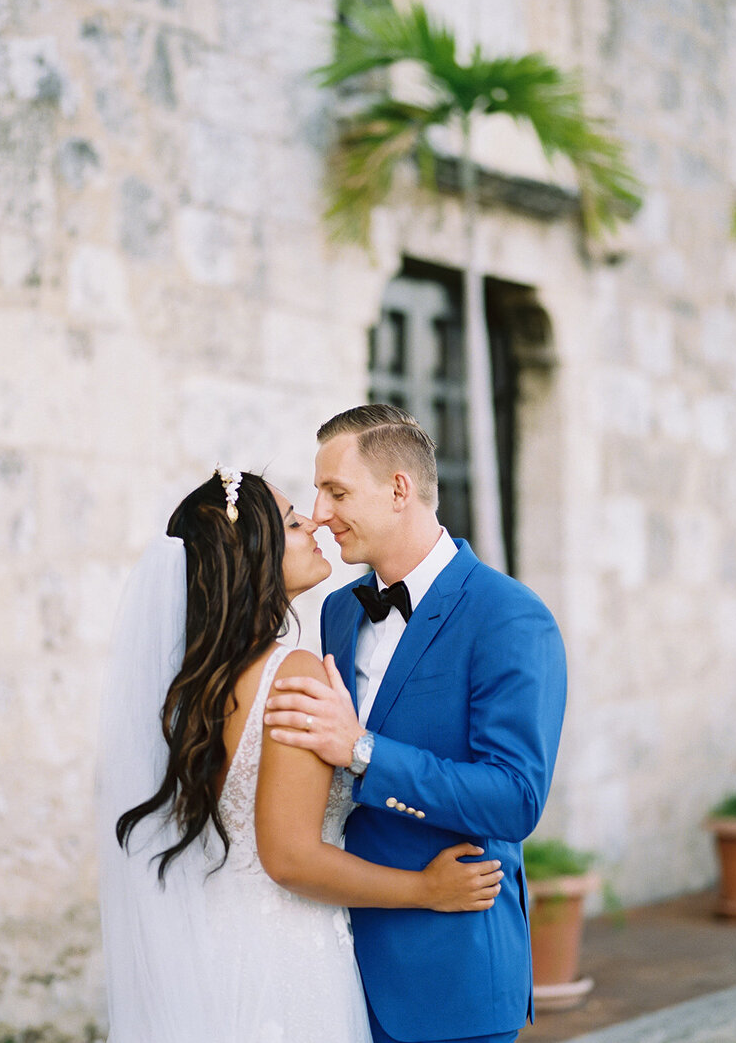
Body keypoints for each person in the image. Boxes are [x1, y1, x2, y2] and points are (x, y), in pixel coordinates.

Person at [96, 466, 503, 1043]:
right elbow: (289, 859)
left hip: (215, 948)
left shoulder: (196, 685)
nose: (314, 519)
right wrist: (424, 890)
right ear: (253, 552)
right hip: (283, 963)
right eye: (292, 521)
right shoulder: (290, 673)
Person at [264, 405, 568, 1043]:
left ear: (399, 489)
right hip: (333, 972)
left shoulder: (510, 616)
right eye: (317, 493)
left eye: (337, 491)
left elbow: (514, 799)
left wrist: (364, 752)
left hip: (449, 979)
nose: (319, 513)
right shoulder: (340, 614)